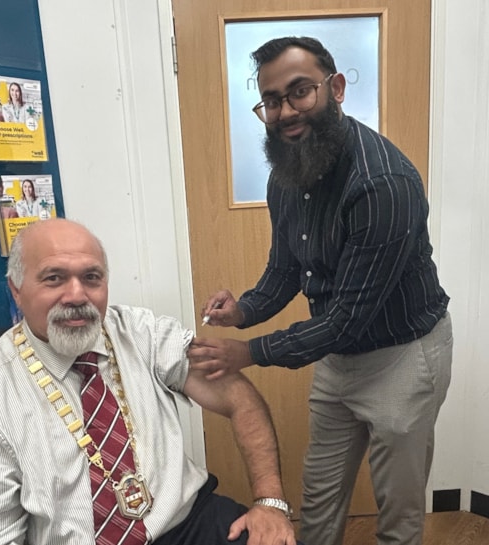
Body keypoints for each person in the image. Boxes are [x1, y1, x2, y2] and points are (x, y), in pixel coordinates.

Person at [188, 37, 453, 545]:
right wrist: (242, 311)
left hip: (403, 357)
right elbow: (285, 271)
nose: (285, 111)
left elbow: (347, 318)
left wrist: (249, 352)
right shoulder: (286, 174)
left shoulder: (384, 184)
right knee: (320, 494)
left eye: (299, 92)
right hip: (338, 356)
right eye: (271, 100)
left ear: (334, 88)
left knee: (397, 511)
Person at [0, 218, 297, 545]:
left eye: (91, 277)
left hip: (190, 526)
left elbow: (237, 395)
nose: (77, 295)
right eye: (54, 278)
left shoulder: (143, 334)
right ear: (16, 289)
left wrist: (271, 501)